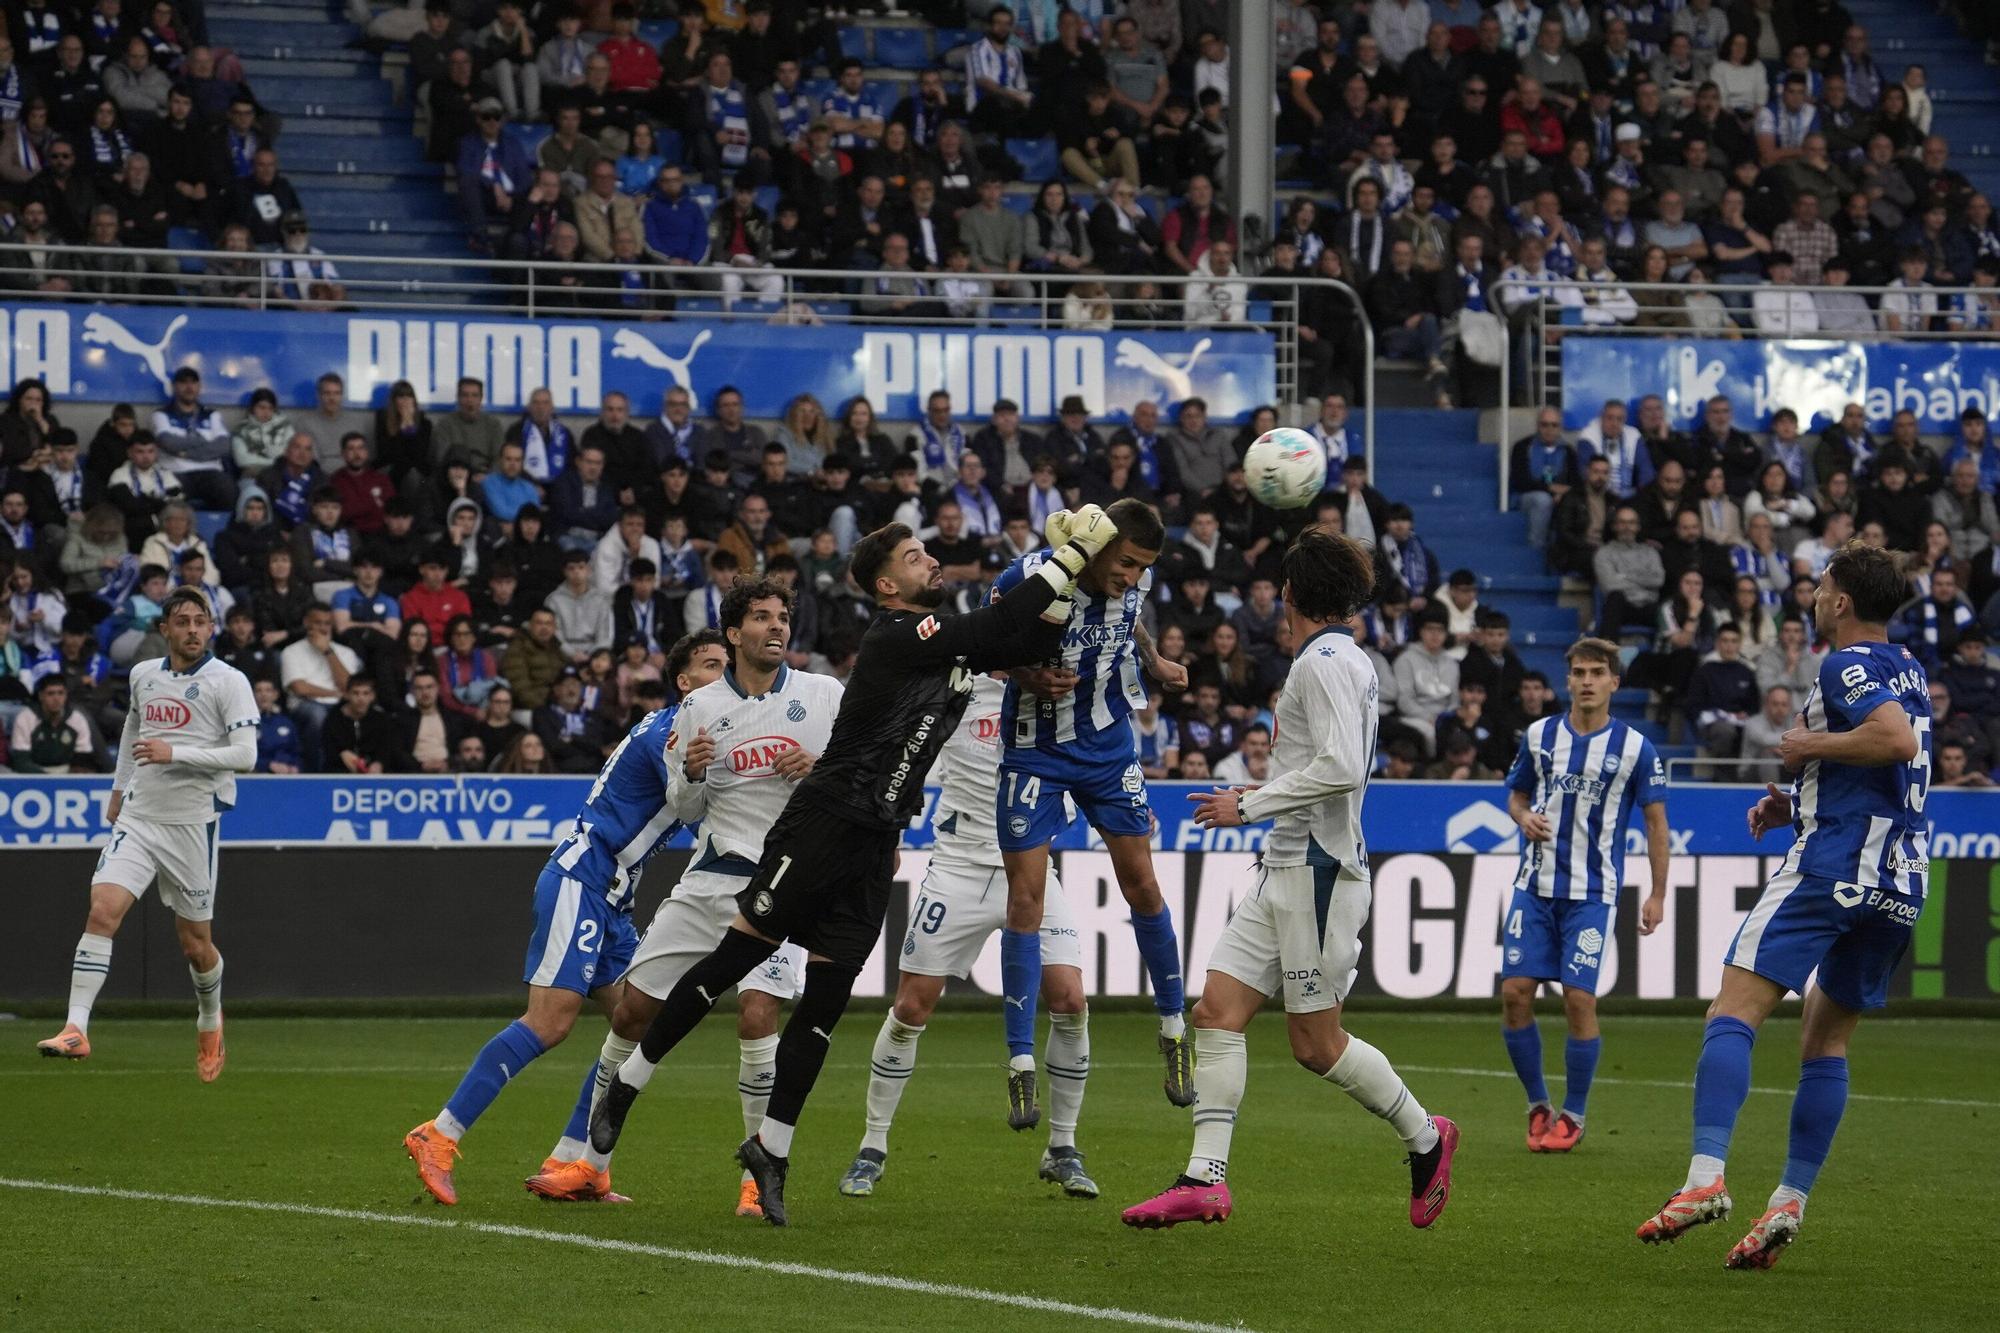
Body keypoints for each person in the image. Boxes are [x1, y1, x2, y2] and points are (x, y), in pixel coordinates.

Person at [588, 506, 1123, 1225]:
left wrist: (1073, 575)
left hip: (877, 841)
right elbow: (995, 628)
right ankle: (628, 1082)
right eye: (915, 556)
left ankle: (771, 1151)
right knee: (730, 960)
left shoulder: (948, 648)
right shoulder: (899, 637)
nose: (931, 560)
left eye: (928, 552)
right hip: (825, 821)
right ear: (885, 585)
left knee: (826, 1004)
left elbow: (1027, 632)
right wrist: (1067, 552)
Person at [1120, 526, 1457, 1232]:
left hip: (1320, 873)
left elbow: (1341, 767)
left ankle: (1426, 1136)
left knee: (1316, 1045)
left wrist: (1245, 802)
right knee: (1217, 1010)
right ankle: (1204, 1177)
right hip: (1285, 866)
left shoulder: (1326, 662)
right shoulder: (1333, 658)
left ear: (1293, 593)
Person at [1636, 542, 1934, 1268]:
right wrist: (1797, 797)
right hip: (1898, 882)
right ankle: (1788, 1201)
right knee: (1825, 1044)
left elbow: (1890, 740)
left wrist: (1805, 744)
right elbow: (1890, 758)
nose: (1815, 591)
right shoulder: (1913, 669)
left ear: (1840, 602)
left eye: (1824, 583)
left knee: (1732, 1013)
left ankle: (1703, 1181)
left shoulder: (1844, 663)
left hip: (1833, 867)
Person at [403, 630, 730, 1207]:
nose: (723, 674)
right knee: (551, 1022)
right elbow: (695, 802)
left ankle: (574, 1162)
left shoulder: (685, 732)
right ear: (684, 681)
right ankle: (439, 1133)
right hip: (582, 881)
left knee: (637, 1024)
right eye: (711, 665)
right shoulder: (672, 731)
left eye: (727, 665)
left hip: (614, 898)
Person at [990, 499, 1193, 1124]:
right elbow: (982, 644)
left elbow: (1131, 618)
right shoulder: (1027, 577)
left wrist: (1153, 660)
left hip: (1108, 750)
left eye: (1142, 567)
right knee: (1025, 901)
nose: (1131, 576)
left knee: (1144, 886)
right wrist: (1024, 673)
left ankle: (1174, 1029)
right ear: (1097, 543)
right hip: (1035, 753)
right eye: (1125, 562)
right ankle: (1021, 1063)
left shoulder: (1133, 582)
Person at [37, 588, 255, 1076]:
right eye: (183, 622)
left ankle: (208, 1016)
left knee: (195, 945)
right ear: (165, 629)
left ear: (212, 628)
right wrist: (118, 790)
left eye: (202, 621)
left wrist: (174, 753)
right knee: (102, 910)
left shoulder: (229, 681)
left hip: (192, 824)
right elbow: (133, 733)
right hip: (139, 817)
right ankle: (76, 1028)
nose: (193, 629)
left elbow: (246, 755)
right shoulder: (143, 675)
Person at [1499, 634, 1672, 1150]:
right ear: (1567, 680)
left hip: (1592, 894)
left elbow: (1657, 824)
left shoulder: (1636, 748)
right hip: (1534, 887)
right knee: (1514, 994)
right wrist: (1522, 816)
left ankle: (1573, 1115)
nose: (1588, 681)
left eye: (1598, 673)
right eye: (1579, 673)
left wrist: (1658, 894)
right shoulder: (1539, 736)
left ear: (1615, 682)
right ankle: (1537, 1105)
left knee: (1578, 999)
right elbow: (1516, 795)